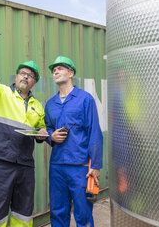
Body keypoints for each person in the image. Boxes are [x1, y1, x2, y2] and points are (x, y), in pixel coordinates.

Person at [0, 34, 48, 227]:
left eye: (31, 75)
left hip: (25, 165)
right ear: (16, 77)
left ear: (34, 82)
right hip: (2, 163)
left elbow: (41, 129)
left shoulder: (37, 106)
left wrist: (42, 134)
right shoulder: (1, 93)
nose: (26, 76)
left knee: (23, 214)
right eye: (23, 73)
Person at [44, 56, 103, 227]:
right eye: (54, 70)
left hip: (80, 166)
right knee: (57, 212)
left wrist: (96, 165)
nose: (56, 71)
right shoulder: (50, 104)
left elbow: (94, 132)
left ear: (71, 73)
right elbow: (47, 128)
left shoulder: (85, 99)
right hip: (57, 166)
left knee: (83, 213)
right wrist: (51, 136)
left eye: (60, 68)